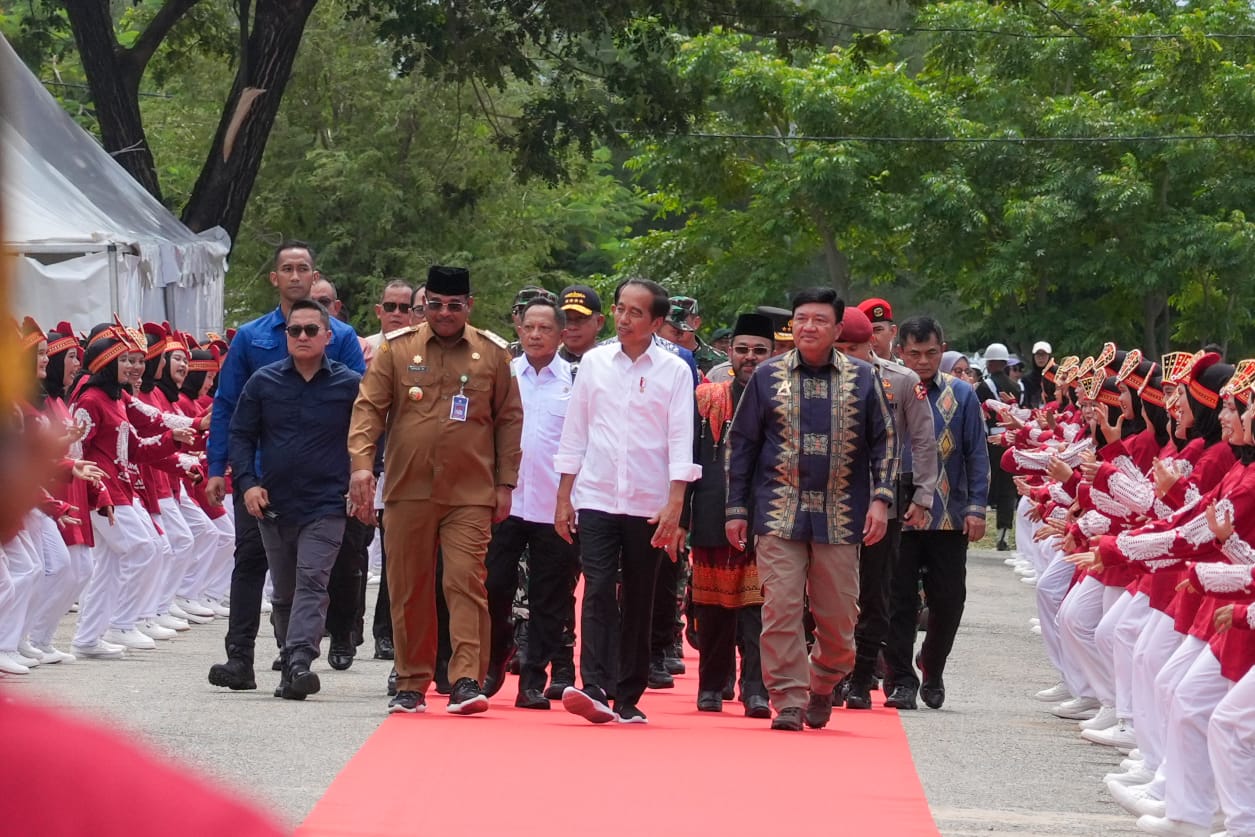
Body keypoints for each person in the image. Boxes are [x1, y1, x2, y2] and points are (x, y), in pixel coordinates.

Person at [348, 265, 523, 715]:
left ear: (470, 305)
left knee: (464, 581)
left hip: (470, 490)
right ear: (424, 305)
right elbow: (368, 409)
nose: (445, 313)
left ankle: (465, 680)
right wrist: (362, 467)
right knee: (409, 587)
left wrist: (506, 483)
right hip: (408, 488)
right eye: (437, 305)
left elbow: (508, 420)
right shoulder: (397, 350)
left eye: (455, 305)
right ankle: (411, 682)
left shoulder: (492, 353)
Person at [726, 287, 897, 732]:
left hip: (841, 515)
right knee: (780, 609)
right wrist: (736, 508)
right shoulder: (768, 376)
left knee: (839, 620)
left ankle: (823, 681)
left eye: (820, 320)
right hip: (778, 512)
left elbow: (886, 442)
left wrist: (881, 500)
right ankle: (788, 698)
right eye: (801, 318)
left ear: (838, 329)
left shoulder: (864, 378)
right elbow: (741, 445)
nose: (808, 327)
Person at [206, 241, 366, 693]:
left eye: (303, 269)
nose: (296, 276)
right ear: (274, 278)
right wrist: (222, 469)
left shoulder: (342, 339)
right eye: (287, 269)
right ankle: (241, 657)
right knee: (254, 565)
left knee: (323, 569)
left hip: (326, 482)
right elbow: (229, 406)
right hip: (260, 478)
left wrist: (362, 472)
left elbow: (364, 414)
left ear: (315, 277)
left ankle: (307, 650)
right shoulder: (252, 338)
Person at [553, 277, 701, 725]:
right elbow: (575, 431)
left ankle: (629, 694)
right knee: (597, 588)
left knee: (639, 593)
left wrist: (675, 506)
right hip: (597, 494)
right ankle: (594, 685)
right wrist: (564, 497)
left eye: (636, 312)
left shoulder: (674, 370)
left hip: (648, 502)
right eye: (620, 308)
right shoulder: (594, 363)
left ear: (656, 322)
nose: (624, 318)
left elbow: (681, 440)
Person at [835, 306, 939, 710]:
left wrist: (923, 496)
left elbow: (923, 441)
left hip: (883, 501)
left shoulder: (901, 380)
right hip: (829, 501)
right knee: (831, 593)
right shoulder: (816, 378)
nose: (847, 355)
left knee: (876, 592)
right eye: (841, 347)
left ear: (871, 343)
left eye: (854, 348)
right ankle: (833, 673)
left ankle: (862, 677)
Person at [884, 316, 989, 711]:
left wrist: (976, 508)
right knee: (898, 599)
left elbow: (977, 454)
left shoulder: (962, 394)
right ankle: (901, 680)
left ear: (942, 350)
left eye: (931, 353)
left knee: (949, 599)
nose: (923, 361)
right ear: (900, 352)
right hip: (897, 513)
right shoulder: (887, 388)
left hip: (948, 514)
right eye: (914, 353)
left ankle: (932, 663)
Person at [482, 297, 581, 709]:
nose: (536, 335)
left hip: (556, 506)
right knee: (493, 586)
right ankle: (493, 660)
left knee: (550, 597)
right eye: (529, 328)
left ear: (561, 335)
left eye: (545, 328)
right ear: (519, 330)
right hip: (505, 501)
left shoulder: (575, 381)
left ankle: (534, 679)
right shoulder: (502, 375)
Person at [688, 312, 773, 718]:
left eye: (759, 350)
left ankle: (756, 689)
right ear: (730, 353)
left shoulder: (784, 399)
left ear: (774, 355)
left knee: (759, 610)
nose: (750, 357)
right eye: (742, 350)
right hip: (711, 512)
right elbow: (689, 458)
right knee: (712, 610)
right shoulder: (707, 398)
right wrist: (680, 520)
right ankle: (711, 685)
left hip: (767, 516)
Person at [976, 341, 1019, 550]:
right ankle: (1004, 534)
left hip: (991, 441)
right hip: (1011, 440)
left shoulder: (984, 386)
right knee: (1008, 488)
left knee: (985, 482)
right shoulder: (1016, 387)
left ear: (991, 363)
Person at [657, 295, 727, 375]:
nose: (678, 337)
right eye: (674, 332)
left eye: (681, 331)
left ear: (696, 323)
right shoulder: (652, 357)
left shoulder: (720, 362)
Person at [364, 278, 417, 360]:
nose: (396, 313)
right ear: (378, 311)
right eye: (390, 306)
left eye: (404, 308)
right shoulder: (364, 348)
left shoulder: (422, 349)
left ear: (413, 313)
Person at [858, 297, 897, 361]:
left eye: (878, 330)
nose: (872, 338)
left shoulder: (908, 366)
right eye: (866, 332)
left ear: (892, 332)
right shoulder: (849, 367)